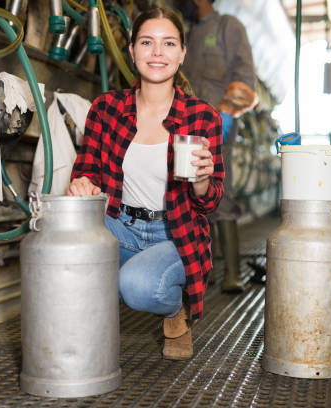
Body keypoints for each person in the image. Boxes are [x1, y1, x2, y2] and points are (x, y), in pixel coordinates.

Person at [67, 7, 224, 360]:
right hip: (121, 224)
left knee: (137, 287)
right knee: (65, 236)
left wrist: (201, 182)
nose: (157, 52)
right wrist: (82, 185)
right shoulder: (106, 108)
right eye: (147, 42)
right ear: (132, 51)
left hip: (175, 233)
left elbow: (211, 202)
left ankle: (174, 314)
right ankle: (80, 331)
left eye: (168, 43)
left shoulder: (202, 116)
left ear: (182, 53)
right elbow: (86, 171)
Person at [178, 0, 257, 293]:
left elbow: (245, 77)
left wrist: (225, 113)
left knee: (221, 192)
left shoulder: (228, 27)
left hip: (216, 125)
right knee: (189, 195)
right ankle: (203, 270)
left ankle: (233, 273)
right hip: (185, 126)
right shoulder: (187, 34)